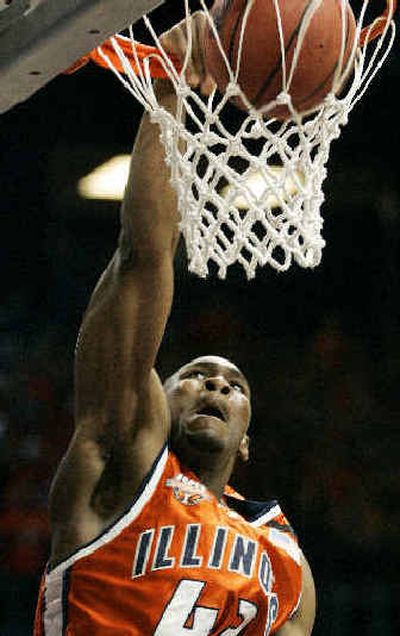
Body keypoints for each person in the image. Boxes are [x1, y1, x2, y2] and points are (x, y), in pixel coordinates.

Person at [34, 13, 316, 636]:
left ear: (247, 441)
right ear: (152, 403)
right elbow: (141, 257)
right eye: (192, 375)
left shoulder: (284, 558)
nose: (215, 384)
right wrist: (173, 88)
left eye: (233, 385)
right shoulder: (119, 463)